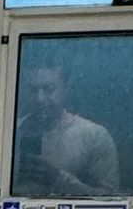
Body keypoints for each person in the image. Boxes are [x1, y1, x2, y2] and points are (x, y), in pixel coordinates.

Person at [16, 55, 121, 198]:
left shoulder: (94, 136)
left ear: (66, 88)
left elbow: (110, 200)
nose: (40, 98)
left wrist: (59, 180)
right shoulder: (9, 134)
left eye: (49, 89)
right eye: (33, 90)